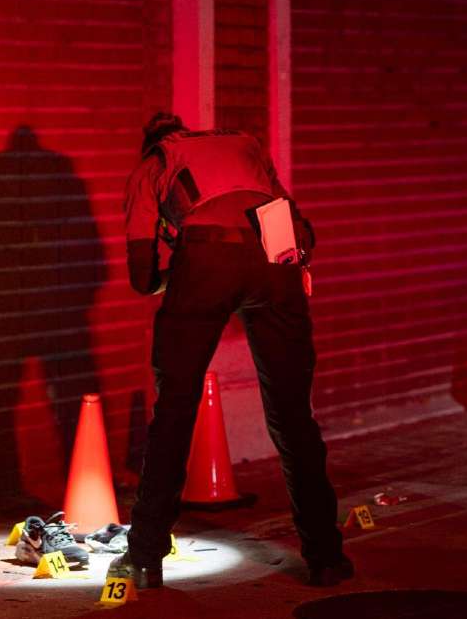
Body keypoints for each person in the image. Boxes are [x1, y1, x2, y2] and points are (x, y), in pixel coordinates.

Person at [109, 112, 352, 588]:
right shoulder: (243, 143)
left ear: (151, 141)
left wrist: (169, 283)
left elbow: (141, 277)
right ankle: (326, 556)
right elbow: (292, 222)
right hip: (275, 253)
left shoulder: (154, 164)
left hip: (206, 260)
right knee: (292, 416)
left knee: (176, 411)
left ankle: (144, 558)